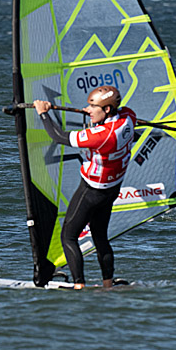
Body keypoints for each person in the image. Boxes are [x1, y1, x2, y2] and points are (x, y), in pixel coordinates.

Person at [33, 85, 136, 290]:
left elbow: (60, 137)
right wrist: (92, 110)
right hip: (113, 187)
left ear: (107, 110)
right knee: (100, 236)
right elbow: (122, 113)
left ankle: (79, 284)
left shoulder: (102, 136)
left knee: (68, 236)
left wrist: (43, 113)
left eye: (93, 107)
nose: (88, 110)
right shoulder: (128, 117)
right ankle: (108, 284)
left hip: (92, 190)